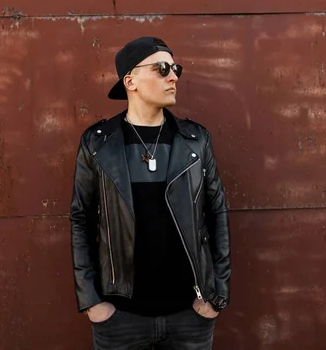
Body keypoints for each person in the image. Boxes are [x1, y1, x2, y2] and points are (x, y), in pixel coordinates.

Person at [70, 36, 231, 350]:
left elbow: (217, 213)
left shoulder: (195, 140)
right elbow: (81, 219)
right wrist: (91, 301)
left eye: (175, 69)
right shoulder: (98, 143)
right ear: (130, 80)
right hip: (120, 318)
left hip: (190, 314)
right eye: (161, 68)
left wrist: (216, 296)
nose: (173, 77)